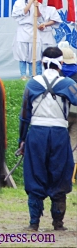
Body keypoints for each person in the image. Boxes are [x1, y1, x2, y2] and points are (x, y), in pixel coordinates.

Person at [18, 46, 77, 231]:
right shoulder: (67, 84)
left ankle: (34, 222)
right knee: (59, 174)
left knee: (35, 174)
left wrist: (22, 140)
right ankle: (58, 223)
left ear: (43, 63)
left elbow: (24, 115)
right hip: (59, 134)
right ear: (60, 64)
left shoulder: (32, 84)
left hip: (36, 134)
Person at [12, 0, 61, 79]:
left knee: (33, 54)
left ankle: (32, 74)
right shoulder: (18, 3)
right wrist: (31, 2)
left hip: (33, 30)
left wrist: (37, 6)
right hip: (23, 30)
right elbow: (24, 12)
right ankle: (23, 75)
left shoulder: (37, 3)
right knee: (22, 53)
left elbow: (40, 17)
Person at [58, 41, 77, 184]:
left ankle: (59, 173)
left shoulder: (58, 73)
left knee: (59, 144)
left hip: (61, 112)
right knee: (74, 144)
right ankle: (71, 177)